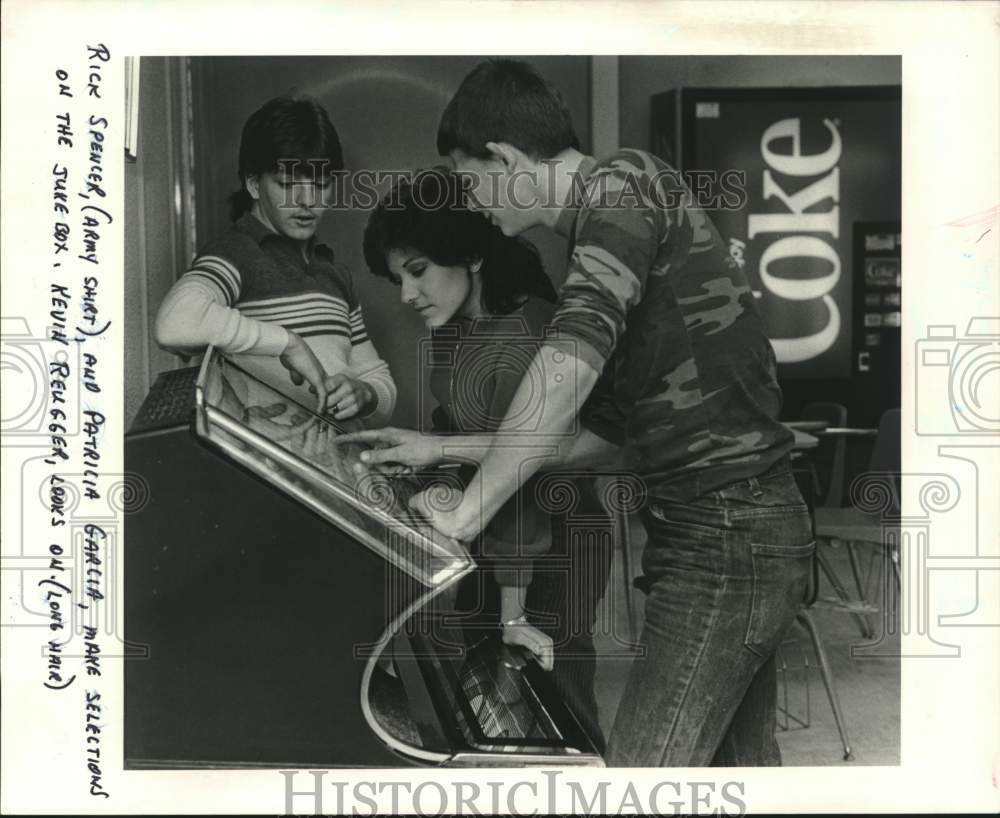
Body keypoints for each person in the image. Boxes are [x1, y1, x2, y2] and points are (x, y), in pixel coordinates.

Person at [343, 59, 813, 767]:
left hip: (727, 534)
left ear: (503, 158)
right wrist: (436, 450)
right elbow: (597, 440)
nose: (474, 205)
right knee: (738, 778)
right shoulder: (607, 222)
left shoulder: (620, 186)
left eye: (471, 180)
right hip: (720, 527)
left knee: (638, 783)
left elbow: (568, 361)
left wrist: (466, 514)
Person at [359, 168, 612, 749]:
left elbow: (520, 480)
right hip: (496, 535)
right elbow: (460, 425)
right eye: (397, 277)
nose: (406, 294)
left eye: (418, 271)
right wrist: (424, 464)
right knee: (494, 700)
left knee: (555, 697)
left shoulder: (524, 335)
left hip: (551, 536)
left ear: (471, 256)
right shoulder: (461, 325)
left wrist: (514, 609)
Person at [155, 93, 396, 425]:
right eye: (287, 184)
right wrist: (288, 344)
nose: (307, 200)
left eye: (321, 184)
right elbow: (173, 324)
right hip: (259, 471)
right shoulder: (236, 253)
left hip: (332, 468)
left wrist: (365, 393)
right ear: (254, 184)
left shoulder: (334, 273)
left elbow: (380, 380)